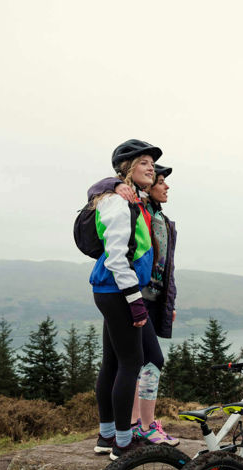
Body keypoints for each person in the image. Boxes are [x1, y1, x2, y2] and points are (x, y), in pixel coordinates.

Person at [89, 164, 179, 446]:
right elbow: (97, 189)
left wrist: (168, 302)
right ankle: (139, 429)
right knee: (144, 361)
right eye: (159, 181)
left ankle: (115, 433)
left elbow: (166, 267)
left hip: (141, 295)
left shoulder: (160, 218)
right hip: (129, 293)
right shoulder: (130, 204)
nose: (164, 186)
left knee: (117, 362)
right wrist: (116, 185)